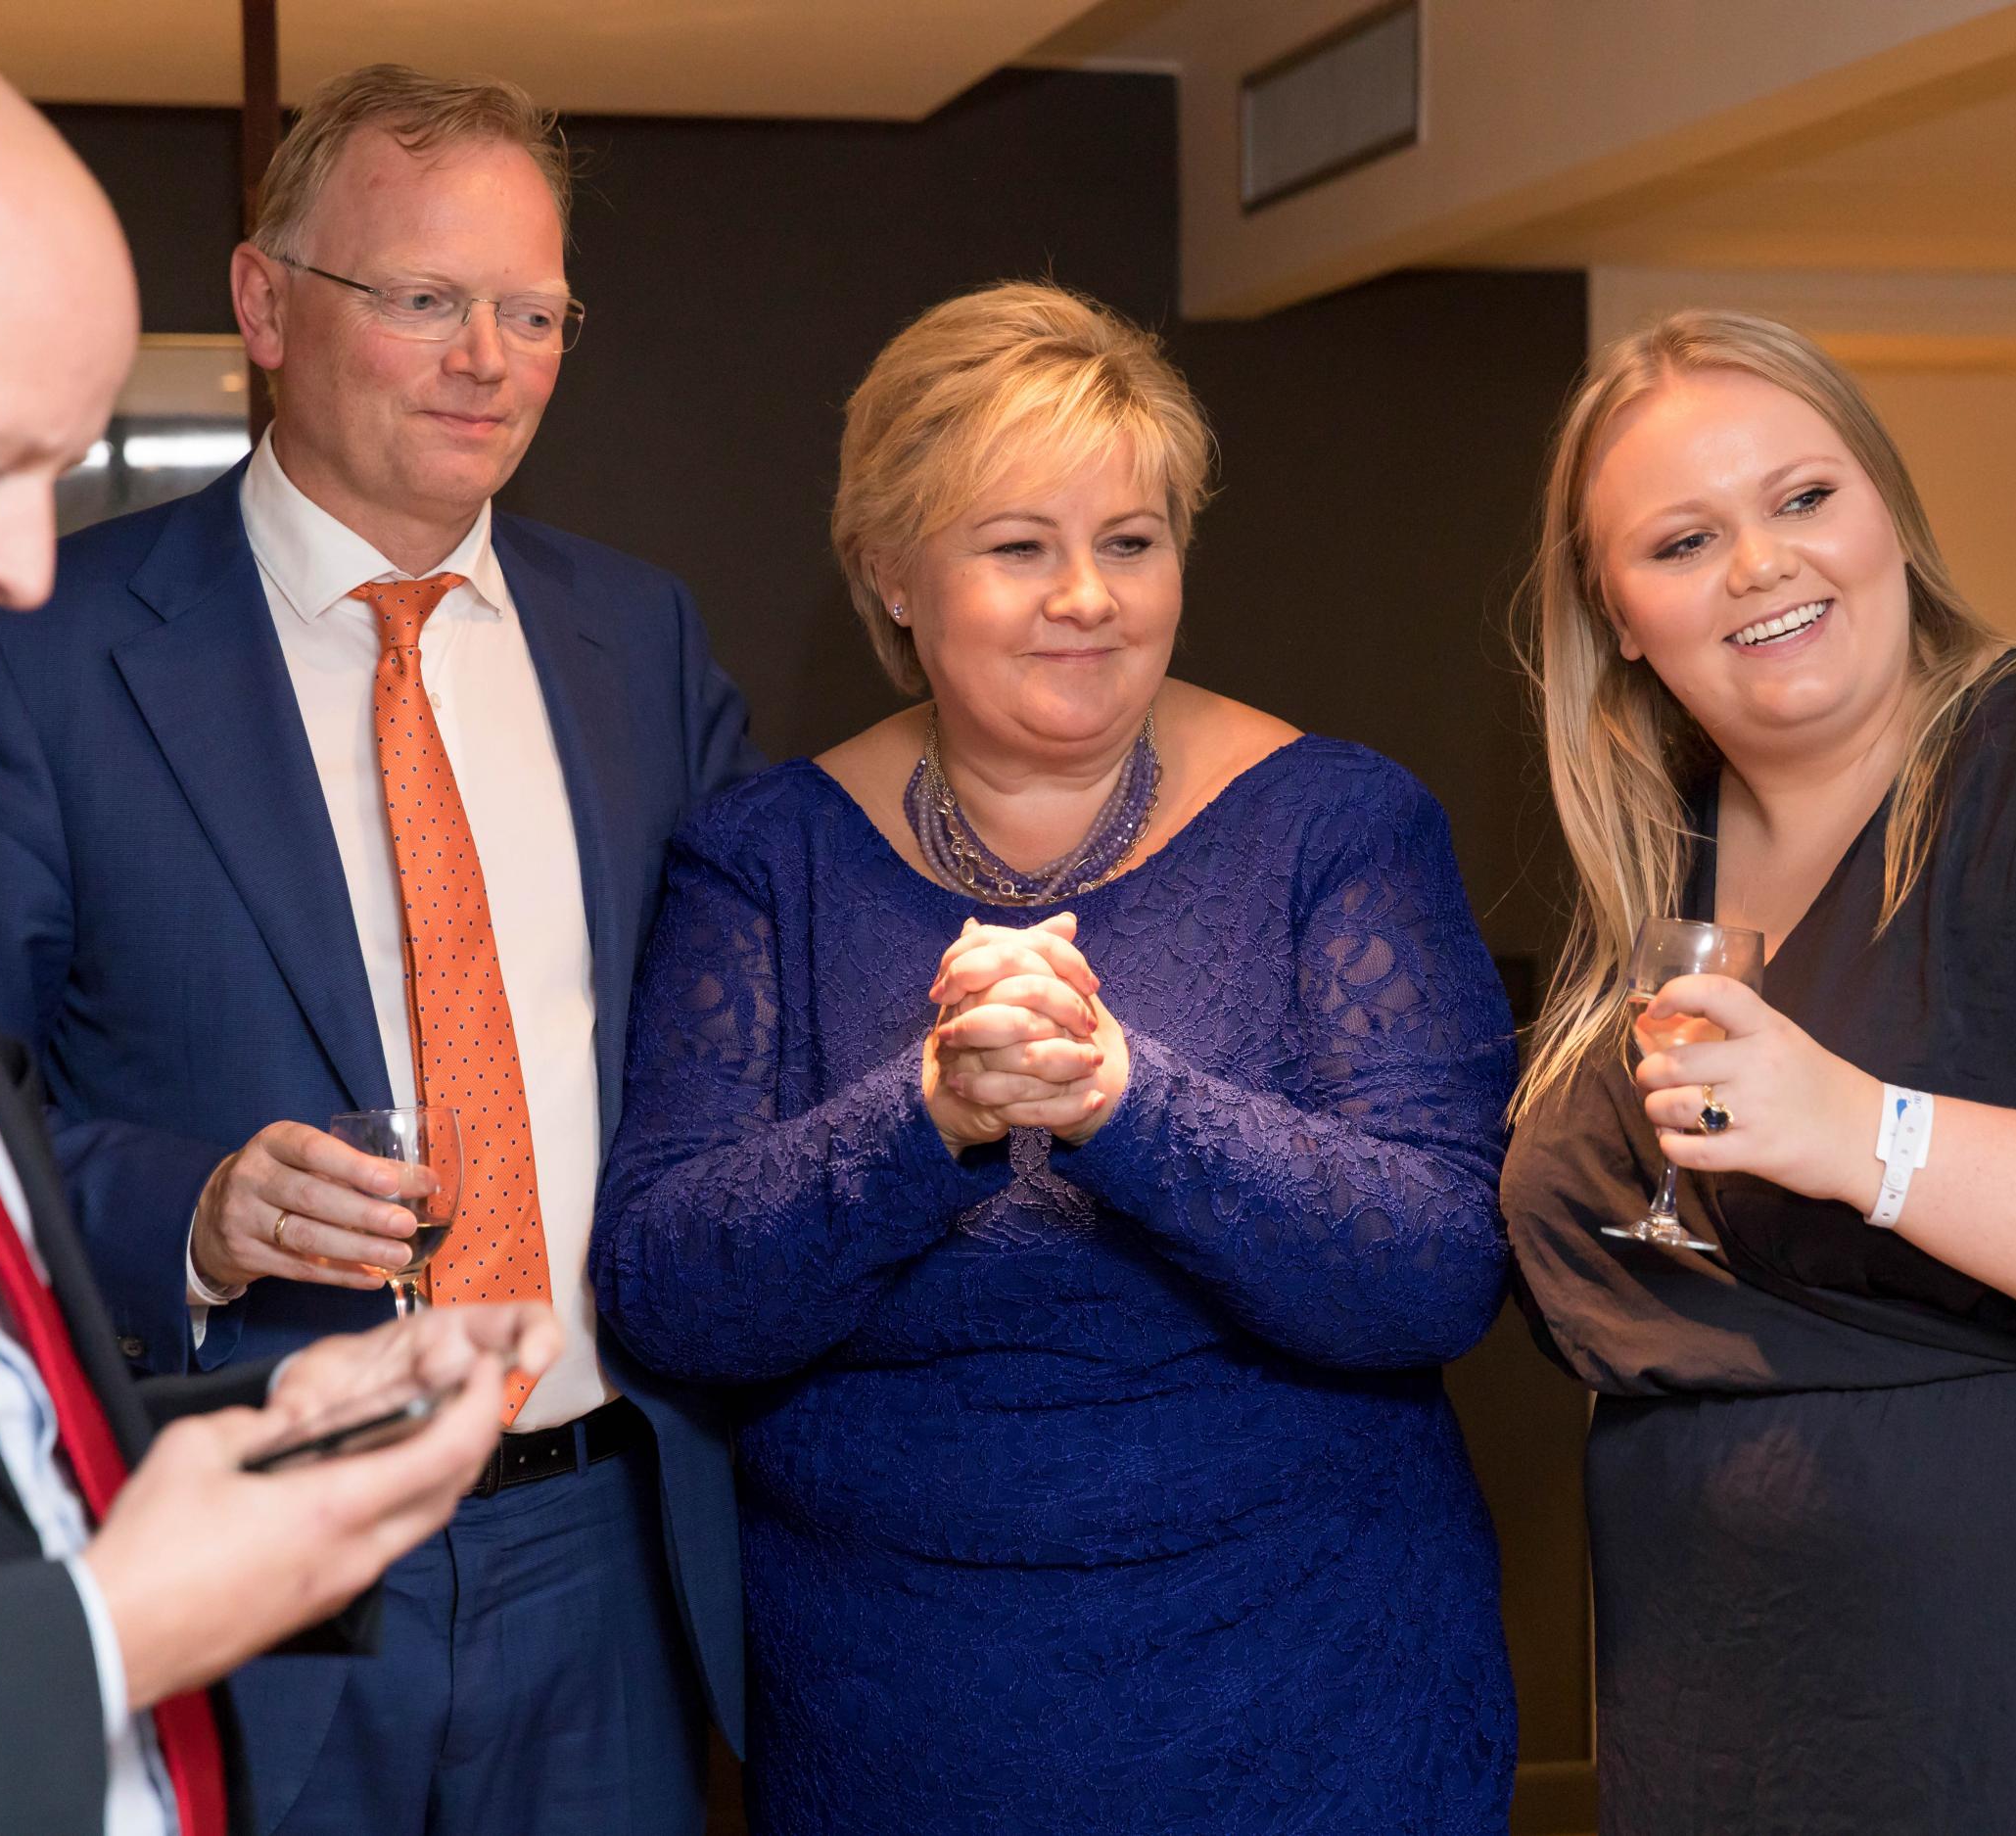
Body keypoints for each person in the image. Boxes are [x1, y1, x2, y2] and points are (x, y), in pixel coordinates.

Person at [0, 62, 755, 1836]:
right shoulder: (31, 664)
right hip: (259, 1527)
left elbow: (727, 1047)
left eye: (533, 310)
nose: (487, 357)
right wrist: (190, 1211)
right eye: (426, 298)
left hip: (608, 1532)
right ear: (267, 305)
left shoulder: (640, 640)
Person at [591, 280, 1520, 1833]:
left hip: (1314, 1697)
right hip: (899, 1712)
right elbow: (671, 1288)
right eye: (1020, 545)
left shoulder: (1340, 824)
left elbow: (1434, 1266)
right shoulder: (760, 858)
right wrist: (925, 1119)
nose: (1087, 595)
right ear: (893, 574)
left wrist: (1125, 1102)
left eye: (1133, 542)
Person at [1502, 308, 2016, 1835]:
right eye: (1683, 540)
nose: (1761, 566)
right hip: (1745, 1735)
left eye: (1805, 498)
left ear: (1888, 518)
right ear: (1614, 615)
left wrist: (1869, 1134)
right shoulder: (1659, 861)